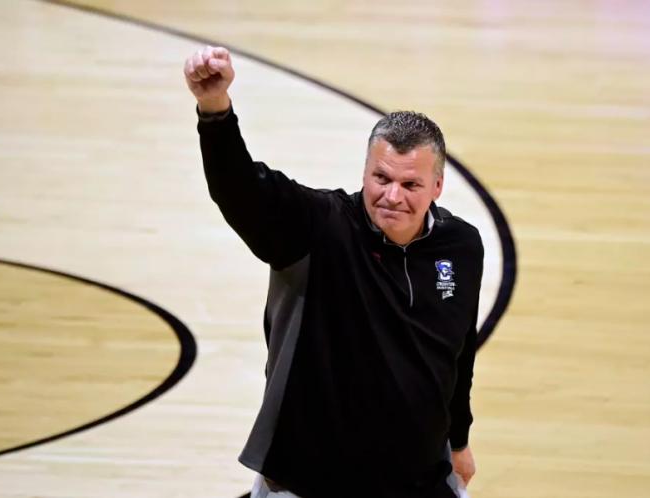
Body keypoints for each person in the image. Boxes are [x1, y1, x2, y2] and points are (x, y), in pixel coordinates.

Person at [184, 46, 484, 498]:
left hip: (420, 479)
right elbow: (239, 188)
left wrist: (458, 441)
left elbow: (458, 356)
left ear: (437, 186)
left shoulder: (460, 246)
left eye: (411, 184)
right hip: (308, 481)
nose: (393, 196)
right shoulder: (317, 228)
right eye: (381, 178)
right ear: (364, 171)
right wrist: (214, 111)